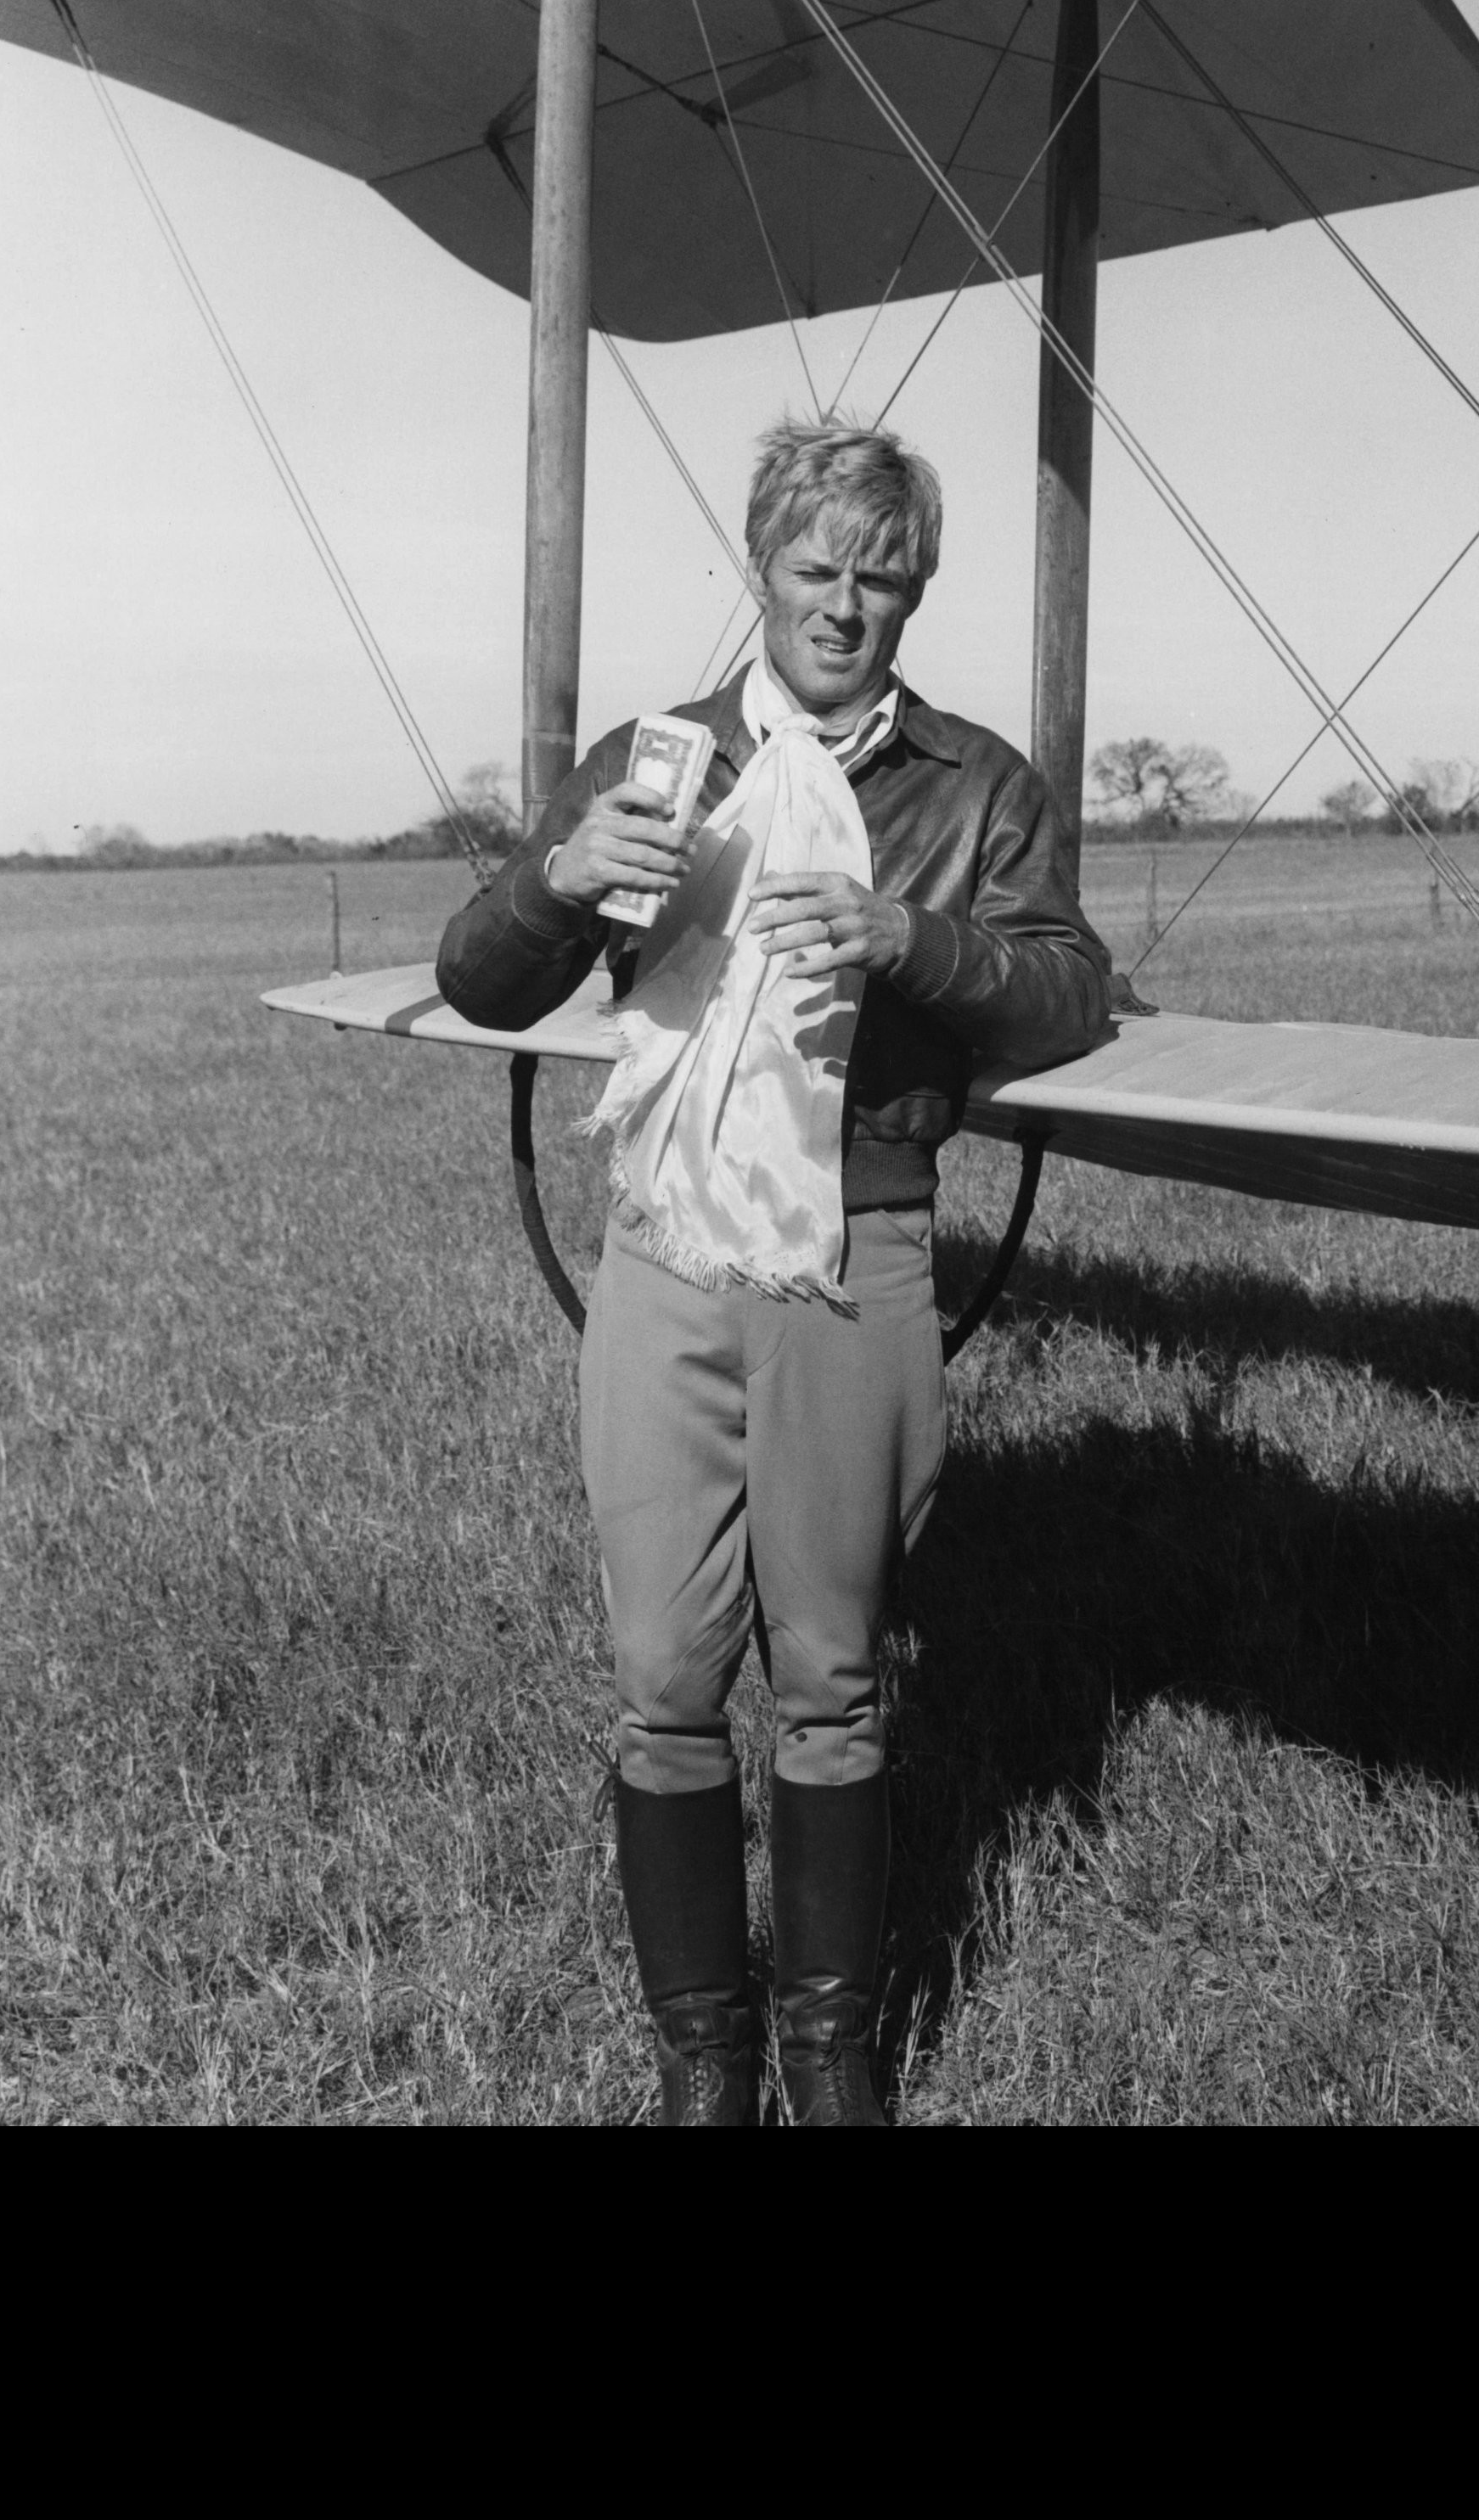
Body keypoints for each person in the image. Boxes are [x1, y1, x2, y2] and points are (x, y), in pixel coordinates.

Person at [437, 416, 1111, 2124]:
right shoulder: (654, 759)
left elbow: (1067, 992)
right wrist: (554, 880)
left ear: (915, 591)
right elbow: (484, 982)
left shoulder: (974, 785)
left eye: (880, 577)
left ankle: (829, 2057)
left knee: (830, 1674)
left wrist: (912, 939)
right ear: (760, 568)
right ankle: (702, 2060)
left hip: (853, 1248)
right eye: (815, 567)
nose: (842, 605)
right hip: (662, 1244)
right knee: (662, 1676)